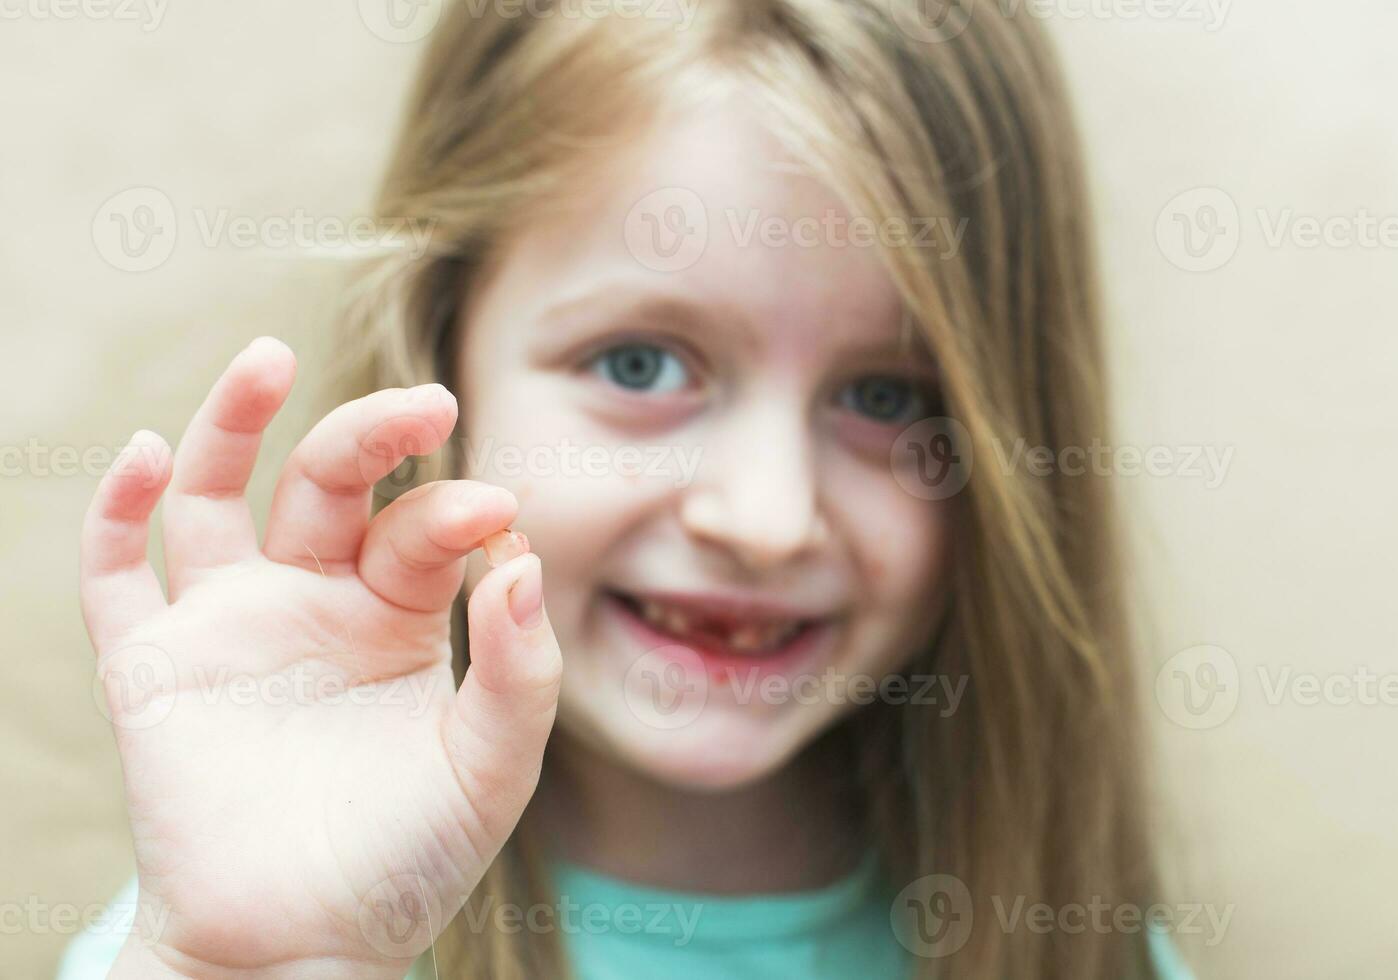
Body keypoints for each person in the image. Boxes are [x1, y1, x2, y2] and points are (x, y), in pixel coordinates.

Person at [65, 1, 1195, 977]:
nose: (765, 518)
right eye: (641, 364)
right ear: (443, 349)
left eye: (890, 400)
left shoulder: (1079, 947)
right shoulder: (251, 916)